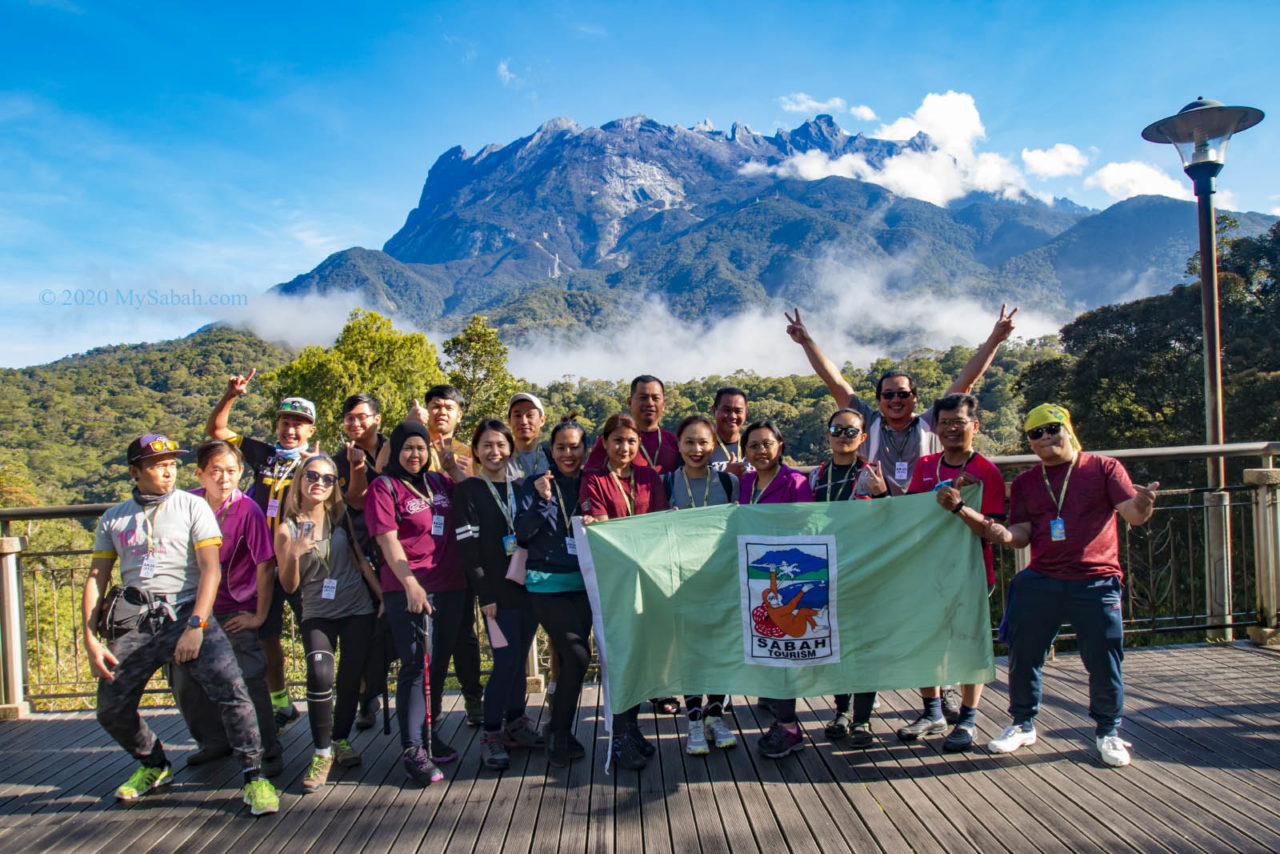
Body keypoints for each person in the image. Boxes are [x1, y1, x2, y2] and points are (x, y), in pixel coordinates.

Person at [82, 434, 278, 815]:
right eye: (158, 465)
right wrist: (90, 638)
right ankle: (154, 764)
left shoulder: (193, 506)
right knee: (110, 707)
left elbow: (210, 570)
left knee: (232, 690)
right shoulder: (113, 518)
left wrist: (196, 625)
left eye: (172, 464)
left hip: (187, 613)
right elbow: (96, 576)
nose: (168, 471)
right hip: (135, 622)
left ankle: (255, 776)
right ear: (135, 472)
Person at [974, 404, 1158, 767]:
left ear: (1068, 429)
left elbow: (1133, 515)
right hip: (1044, 578)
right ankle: (1023, 724)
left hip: (1096, 580)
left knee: (1104, 660)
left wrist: (1145, 503)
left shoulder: (1104, 468)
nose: (1044, 438)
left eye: (1052, 428)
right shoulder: (1028, 481)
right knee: (1023, 655)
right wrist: (999, 533)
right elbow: (1022, 536)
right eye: (1035, 433)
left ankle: (1108, 731)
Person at [784, 305, 1018, 495]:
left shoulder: (931, 422)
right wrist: (806, 341)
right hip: (880, 516)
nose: (896, 400)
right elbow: (835, 382)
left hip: (925, 513)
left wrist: (996, 339)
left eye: (903, 394)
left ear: (914, 398)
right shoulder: (868, 422)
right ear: (878, 400)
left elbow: (966, 382)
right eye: (888, 395)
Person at [206, 369, 316, 729]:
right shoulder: (263, 454)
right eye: (285, 421)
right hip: (262, 563)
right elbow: (217, 433)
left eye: (299, 423)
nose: (291, 429)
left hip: (301, 562)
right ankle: (281, 702)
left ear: (311, 430)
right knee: (267, 637)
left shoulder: (315, 464)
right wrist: (231, 395)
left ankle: (340, 702)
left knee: (316, 634)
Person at [897, 393, 1007, 752]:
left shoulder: (986, 471)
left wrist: (960, 508)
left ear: (975, 426)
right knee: (926, 639)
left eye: (958, 422)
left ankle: (969, 720)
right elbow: (913, 516)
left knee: (968, 643)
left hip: (972, 571)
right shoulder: (925, 465)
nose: (951, 429)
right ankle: (932, 713)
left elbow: (994, 530)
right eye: (944, 423)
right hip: (928, 571)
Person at [169, 440, 283, 777]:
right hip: (193, 608)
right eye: (216, 471)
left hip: (235, 606)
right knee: (184, 678)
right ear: (200, 474)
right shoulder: (186, 504)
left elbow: (264, 564)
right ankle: (213, 741)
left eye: (232, 471)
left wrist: (259, 615)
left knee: (249, 675)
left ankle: (268, 747)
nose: (224, 478)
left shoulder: (247, 510)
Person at [365, 421, 464, 785]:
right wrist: (410, 582)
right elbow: (387, 540)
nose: (414, 454)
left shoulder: (439, 483)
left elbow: (470, 500)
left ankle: (428, 733)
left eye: (420, 448)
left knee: (437, 664)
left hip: (451, 586)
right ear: (395, 451)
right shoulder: (384, 486)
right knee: (414, 665)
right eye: (407, 448)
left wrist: (453, 467)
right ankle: (413, 750)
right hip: (409, 589)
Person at [277, 454, 380, 792]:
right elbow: (289, 586)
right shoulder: (286, 528)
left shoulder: (339, 518)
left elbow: (359, 560)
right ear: (300, 481)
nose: (318, 483)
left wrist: (382, 600)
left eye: (327, 478)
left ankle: (340, 739)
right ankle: (321, 752)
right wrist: (294, 552)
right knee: (320, 673)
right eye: (312, 476)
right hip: (317, 611)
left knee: (351, 677)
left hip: (356, 607)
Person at [581, 412, 671, 769]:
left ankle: (632, 728)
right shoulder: (593, 478)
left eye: (631, 441)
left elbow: (662, 520)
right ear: (604, 442)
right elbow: (601, 528)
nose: (625, 447)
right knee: (621, 658)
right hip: (616, 580)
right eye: (618, 440)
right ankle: (618, 738)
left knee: (641, 656)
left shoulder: (650, 477)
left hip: (649, 577)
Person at [455, 419, 544, 771]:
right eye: (487, 445)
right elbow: (468, 551)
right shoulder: (469, 491)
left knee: (519, 658)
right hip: (495, 594)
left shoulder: (520, 486)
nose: (494, 452)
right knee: (505, 662)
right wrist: (484, 595)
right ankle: (491, 733)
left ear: (510, 449)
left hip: (525, 589)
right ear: (476, 450)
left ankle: (515, 722)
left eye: (501, 445)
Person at [735, 421, 816, 759]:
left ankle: (790, 727)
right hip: (755, 579)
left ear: (780, 445)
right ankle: (784, 722)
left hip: (788, 579)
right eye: (753, 445)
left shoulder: (795, 481)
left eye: (767, 444)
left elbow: (809, 529)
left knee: (784, 655)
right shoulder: (746, 481)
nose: (761, 451)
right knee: (769, 651)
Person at [807, 409, 886, 748]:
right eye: (836, 429)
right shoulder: (815, 475)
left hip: (864, 570)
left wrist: (882, 494)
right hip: (827, 570)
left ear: (863, 438)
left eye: (851, 431)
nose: (843, 436)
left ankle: (863, 719)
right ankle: (841, 711)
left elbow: (891, 521)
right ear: (827, 435)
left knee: (866, 645)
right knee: (834, 644)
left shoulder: (871, 473)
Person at [518, 415, 592, 767]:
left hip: (586, 583)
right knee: (577, 656)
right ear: (551, 450)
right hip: (546, 584)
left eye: (574, 447)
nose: (567, 454)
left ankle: (558, 728)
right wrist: (544, 501)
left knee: (575, 663)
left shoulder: (593, 484)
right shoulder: (535, 484)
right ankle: (558, 731)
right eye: (561, 447)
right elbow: (522, 533)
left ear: (585, 449)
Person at [663, 414, 739, 756]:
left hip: (722, 580)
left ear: (714, 445)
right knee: (690, 652)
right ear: (678, 445)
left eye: (703, 442)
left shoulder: (729, 483)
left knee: (721, 649)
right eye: (689, 442)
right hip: (681, 582)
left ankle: (715, 716)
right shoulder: (664, 483)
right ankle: (693, 721)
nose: (696, 449)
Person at [408, 384, 483, 725]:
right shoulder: (412, 449)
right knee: (429, 637)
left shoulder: (471, 451)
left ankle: (473, 700)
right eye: (435, 406)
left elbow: (481, 497)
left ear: (459, 414)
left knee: (464, 633)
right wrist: (409, 426)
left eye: (448, 407)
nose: (442, 412)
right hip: (423, 557)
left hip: (462, 553)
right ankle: (431, 706)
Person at [333, 393, 393, 732]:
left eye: (361, 417)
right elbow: (356, 501)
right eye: (349, 418)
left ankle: (381, 689)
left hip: (395, 548)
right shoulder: (339, 460)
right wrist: (358, 467)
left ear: (377, 419)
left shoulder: (394, 446)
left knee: (391, 633)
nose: (355, 423)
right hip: (360, 551)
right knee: (363, 631)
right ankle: (365, 698)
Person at [586, 376, 681, 473]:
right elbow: (589, 477)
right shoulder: (612, 440)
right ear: (630, 402)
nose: (650, 403)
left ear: (664, 404)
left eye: (655, 398)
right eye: (643, 398)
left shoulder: (675, 443)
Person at [507, 392, 552, 481]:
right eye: (517, 415)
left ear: (542, 420)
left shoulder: (552, 458)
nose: (523, 421)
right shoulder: (501, 458)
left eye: (529, 415)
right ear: (509, 421)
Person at [709, 387, 751, 477]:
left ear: (746, 413)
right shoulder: (702, 448)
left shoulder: (753, 446)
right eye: (726, 410)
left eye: (738, 411)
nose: (732, 416)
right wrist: (725, 476)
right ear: (714, 410)